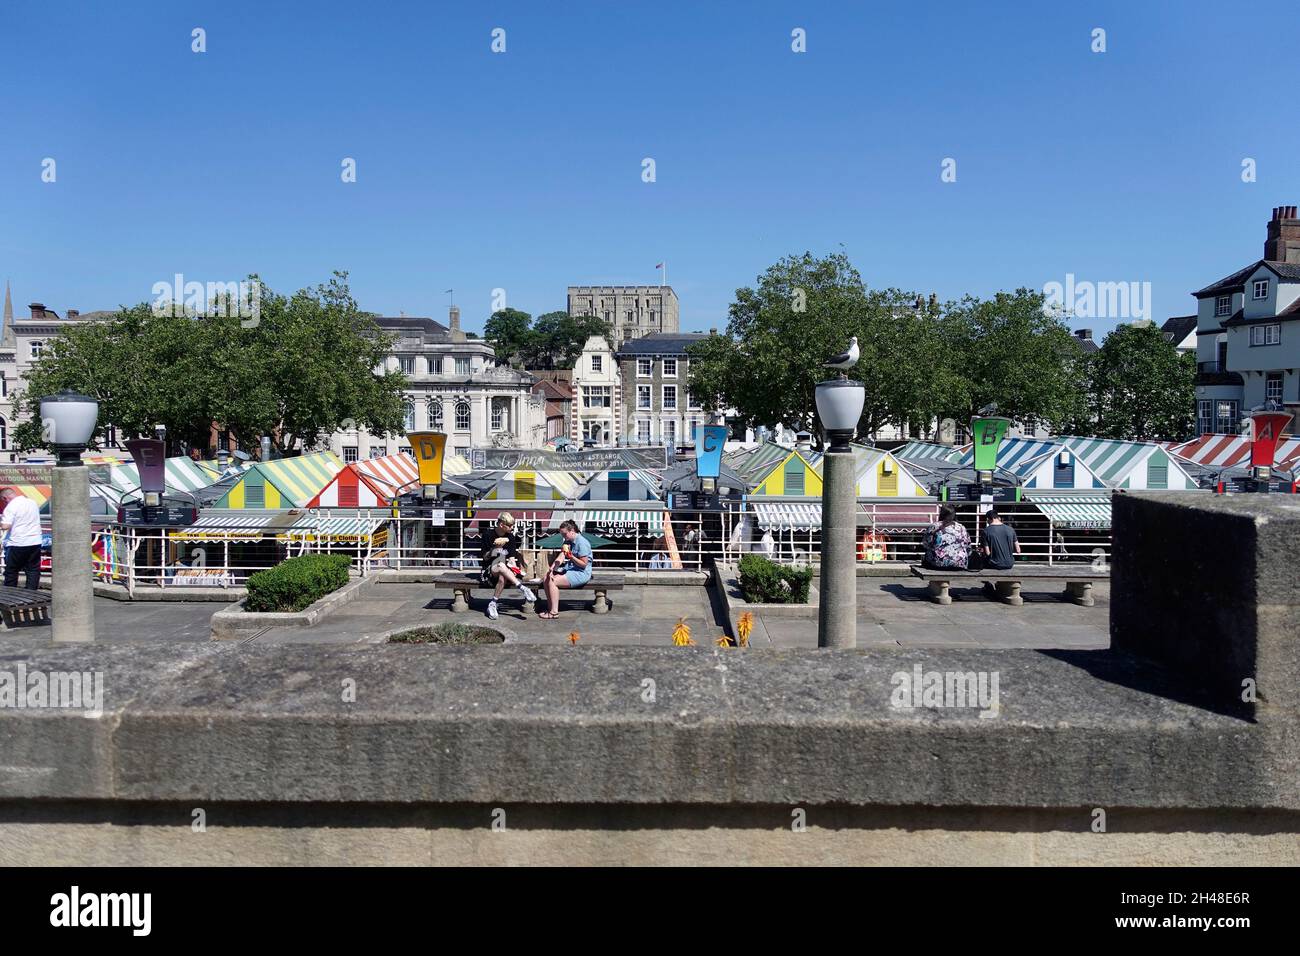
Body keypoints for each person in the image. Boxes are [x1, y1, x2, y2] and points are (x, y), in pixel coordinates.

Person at [479, 513, 535, 621]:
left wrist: (515, 569)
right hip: (489, 570)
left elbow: (511, 559)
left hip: (505, 571)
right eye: (509, 525)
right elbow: (485, 558)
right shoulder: (488, 535)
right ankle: (522, 588)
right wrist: (494, 549)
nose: (512, 528)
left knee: (502, 576)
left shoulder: (511, 537)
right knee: (500, 565)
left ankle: (493, 603)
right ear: (501, 525)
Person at [539, 520, 592, 620]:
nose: (563, 536)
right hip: (570, 570)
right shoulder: (568, 541)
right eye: (562, 534)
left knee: (553, 581)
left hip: (581, 573)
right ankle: (550, 608)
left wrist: (571, 557)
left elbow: (584, 565)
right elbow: (561, 557)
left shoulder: (582, 543)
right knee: (547, 577)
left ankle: (554, 612)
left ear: (572, 531)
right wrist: (552, 569)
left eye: (564, 534)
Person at [0, 488, 44, 590]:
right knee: (33, 570)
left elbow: (5, 526)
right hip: (35, 541)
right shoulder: (32, 502)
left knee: (12, 571)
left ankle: (10, 595)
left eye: (3, 500)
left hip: (18, 542)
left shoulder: (11, 507)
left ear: (5, 498)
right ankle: (32, 594)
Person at [922, 505, 970, 570]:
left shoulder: (935, 526)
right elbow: (968, 545)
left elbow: (925, 544)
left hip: (939, 563)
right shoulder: (961, 527)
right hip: (960, 563)